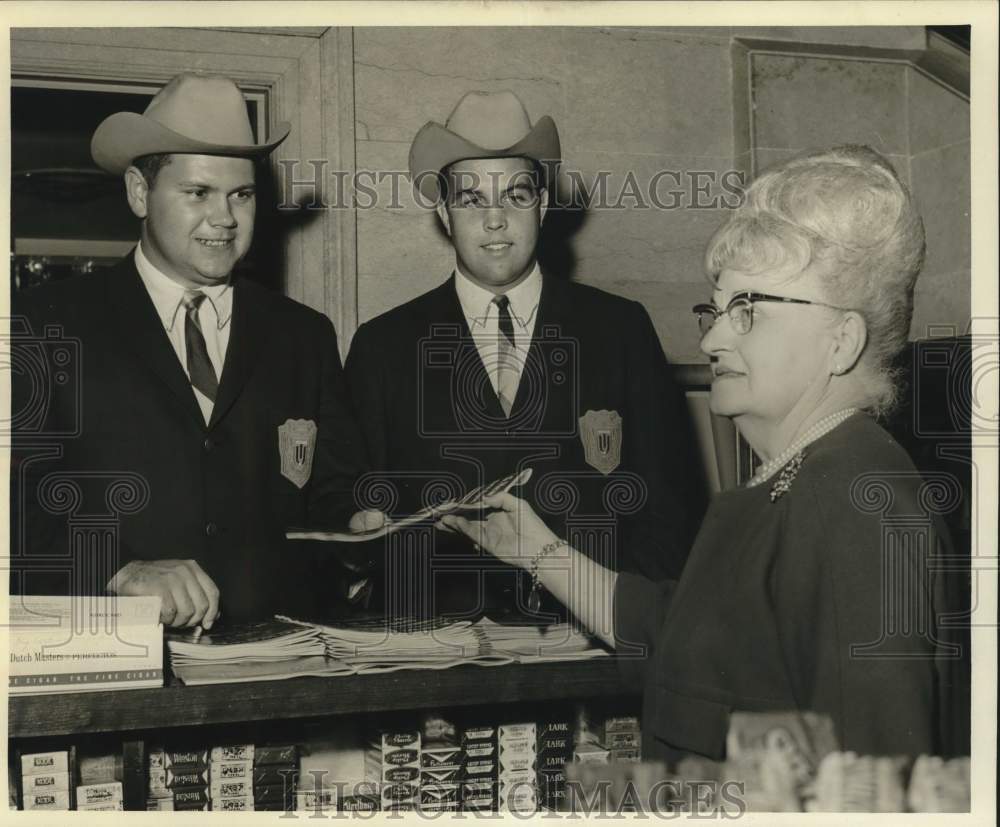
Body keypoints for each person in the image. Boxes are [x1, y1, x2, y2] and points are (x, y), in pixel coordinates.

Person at [442, 145, 970, 760]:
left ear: (841, 340)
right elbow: (686, 640)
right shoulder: (802, 472)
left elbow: (872, 781)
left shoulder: (855, 501)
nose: (714, 337)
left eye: (747, 311)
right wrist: (534, 549)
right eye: (716, 309)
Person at [10, 73, 382, 628]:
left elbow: (332, 488)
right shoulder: (40, 325)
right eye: (198, 193)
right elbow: (16, 507)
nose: (225, 218)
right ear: (140, 192)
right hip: (118, 669)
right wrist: (118, 570)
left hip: (281, 669)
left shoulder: (304, 334)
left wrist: (358, 527)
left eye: (241, 195)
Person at [344, 90, 702, 619]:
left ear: (543, 204)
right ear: (443, 211)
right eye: (470, 200)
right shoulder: (382, 345)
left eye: (515, 195)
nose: (494, 220)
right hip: (437, 655)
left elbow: (670, 511)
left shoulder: (620, 329)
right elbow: (352, 506)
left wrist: (620, 627)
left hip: (586, 647)